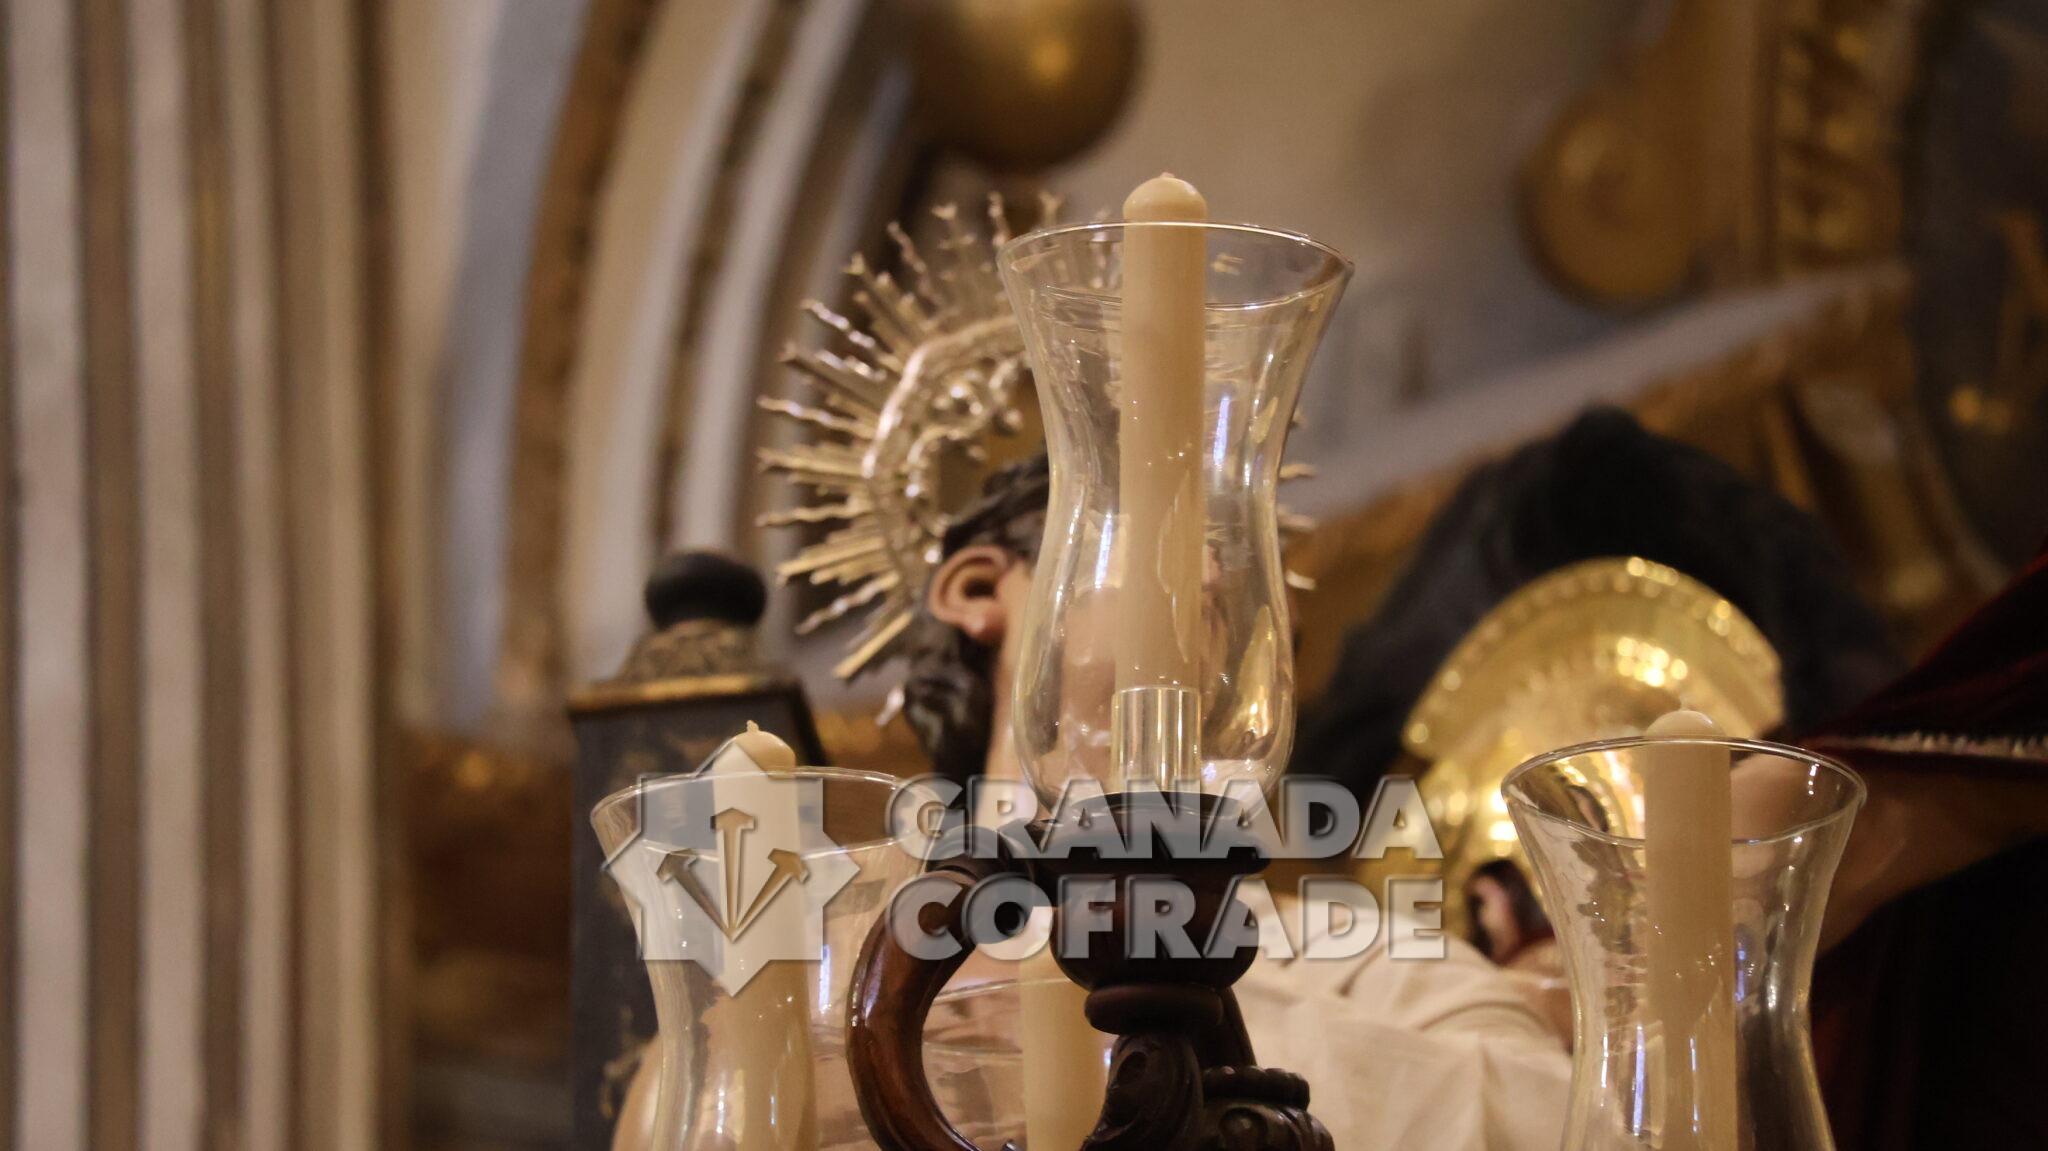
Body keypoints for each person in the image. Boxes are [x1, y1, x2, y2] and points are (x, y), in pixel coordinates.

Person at [902, 454, 1573, 1150]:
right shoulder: (855, 946)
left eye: (1255, 574)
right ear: (977, 588)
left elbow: (1554, 1114)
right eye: (1168, 528)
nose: (1220, 574)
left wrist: (1137, 987)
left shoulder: (1372, 960)